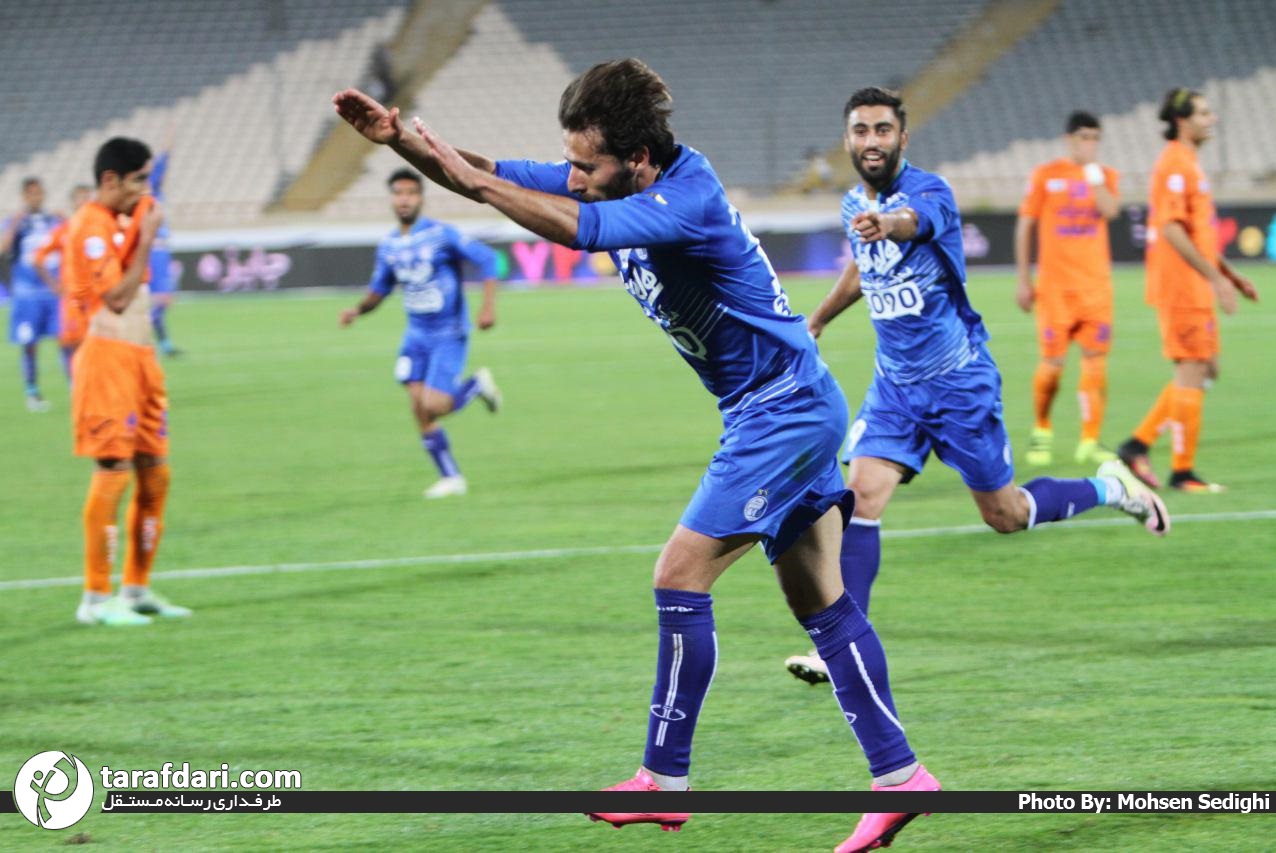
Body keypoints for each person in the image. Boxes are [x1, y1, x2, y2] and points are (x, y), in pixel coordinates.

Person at [335, 59, 939, 852]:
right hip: (774, 408)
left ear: (640, 162)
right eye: (572, 163)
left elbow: (569, 226)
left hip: (782, 413)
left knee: (678, 573)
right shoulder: (613, 175)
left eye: (586, 166)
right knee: (819, 601)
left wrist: (478, 186)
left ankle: (664, 778)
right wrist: (401, 141)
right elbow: (483, 171)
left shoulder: (683, 198)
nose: (574, 178)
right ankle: (903, 778)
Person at [782, 88, 1169, 686]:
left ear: (903, 138)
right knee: (860, 496)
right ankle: (842, 648)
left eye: (883, 130)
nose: (872, 141)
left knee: (1006, 514)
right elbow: (863, 263)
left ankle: (1111, 487)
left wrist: (888, 224)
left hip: (959, 384)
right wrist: (819, 318)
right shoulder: (852, 203)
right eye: (861, 131)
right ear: (848, 140)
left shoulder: (929, 192)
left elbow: (910, 224)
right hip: (896, 388)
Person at [65, 137, 190, 627]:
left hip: (141, 358)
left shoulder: (126, 215)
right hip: (107, 359)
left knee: (155, 472)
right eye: (138, 180)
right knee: (113, 471)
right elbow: (116, 298)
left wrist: (143, 216)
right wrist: (147, 238)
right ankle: (95, 600)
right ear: (110, 180)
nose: (146, 190)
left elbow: (148, 208)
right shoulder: (90, 227)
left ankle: (136, 589)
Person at [1116, 88, 1258, 493]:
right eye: (1203, 113)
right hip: (1182, 285)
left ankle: (1137, 444)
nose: (1211, 119)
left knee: (1206, 368)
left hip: (1196, 282)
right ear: (1182, 120)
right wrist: (1213, 278)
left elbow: (1200, 235)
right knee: (1192, 369)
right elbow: (1173, 229)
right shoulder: (1175, 164)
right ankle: (1183, 473)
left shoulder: (1188, 162)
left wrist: (1227, 274)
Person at [339, 168, 501, 499]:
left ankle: (476, 385)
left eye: (411, 193)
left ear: (421, 198)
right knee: (417, 406)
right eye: (398, 193)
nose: (404, 199)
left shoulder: (442, 235)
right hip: (415, 334)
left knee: (435, 405)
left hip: (448, 333)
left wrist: (487, 307)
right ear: (391, 198)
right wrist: (358, 309)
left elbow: (488, 259)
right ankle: (451, 477)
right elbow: (380, 288)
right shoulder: (388, 245)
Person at [1015, 111, 1120, 466]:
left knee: (1095, 364)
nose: (1090, 144)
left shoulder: (1104, 177)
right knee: (1053, 365)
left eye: (1095, 138)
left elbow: (1111, 210)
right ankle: (1042, 429)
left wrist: (1093, 174)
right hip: (1055, 291)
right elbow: (1025, 226)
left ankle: (1090, 439)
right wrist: (1023, 279)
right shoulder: (1046, 175)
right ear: (1070, 139)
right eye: (1084, 137)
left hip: (1095, 289)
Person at [1, 177, 63, 411]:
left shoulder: (51, 221)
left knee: (66, 340)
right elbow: (3, 249)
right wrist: (14, 225)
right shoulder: (17, 222)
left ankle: (76, 387)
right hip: (27, 296)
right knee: (30, 344)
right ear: (24, 196)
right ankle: (32, 392)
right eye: (31, 194)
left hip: (52, 293)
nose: (36, 197)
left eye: (39, 193)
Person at [34, 184, 95, 369]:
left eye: (87, 197)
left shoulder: (100, 228)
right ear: (73, 202)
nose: (84, 201)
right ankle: (76, 388)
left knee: (99, 343)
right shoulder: (63, 231)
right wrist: (53, 285)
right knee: (71, 344)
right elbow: (38, 258)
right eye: (80, 197)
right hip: (73, 297)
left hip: (96, 297)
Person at [147, 129, 180, 356]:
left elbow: (163, 163)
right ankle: (143, 334)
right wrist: (169, 140)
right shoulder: (149, 190)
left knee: (162, 300)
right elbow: (163, 164)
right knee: (164, 299)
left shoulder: (154, 193)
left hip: (158, 249)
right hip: (153, 251)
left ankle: (164, 343)